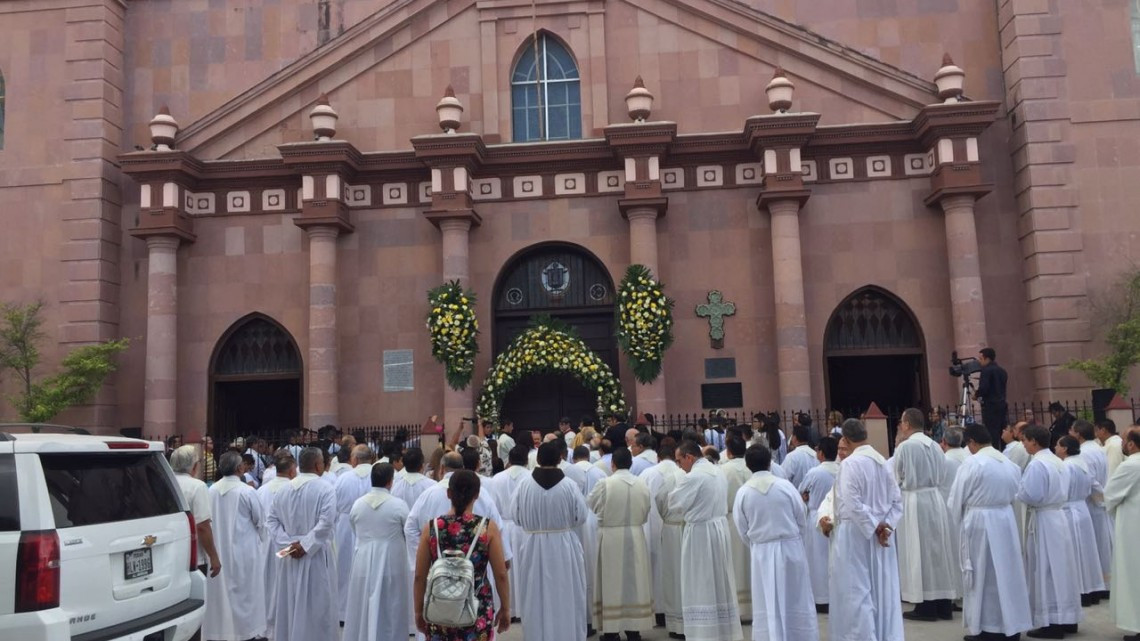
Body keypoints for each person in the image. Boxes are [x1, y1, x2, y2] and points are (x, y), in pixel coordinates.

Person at [946, 423, 1032, 641]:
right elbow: (1016, 493)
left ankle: (988, 628)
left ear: (972, 442)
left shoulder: (973, 463)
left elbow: (956, 498)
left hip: (980, 524)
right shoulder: (1009, 463)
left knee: (983, 576)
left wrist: (958, 519)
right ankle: (1011, 626)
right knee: (1007, 574)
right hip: (1005, 520)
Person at [733, 443, 819, 641]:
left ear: (748, 465)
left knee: (766, 598)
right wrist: (794, 539)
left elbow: (742, 528)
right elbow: (801, 516)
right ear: (770, 463)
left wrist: (758, 544)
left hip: (761, 552)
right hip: (790, 547)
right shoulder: (786, 486)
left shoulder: (744, 493)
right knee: (795, 596)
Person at [413, 470, 511, 640]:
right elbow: (501, 574)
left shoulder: (432, 528)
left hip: (440, 606)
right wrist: (506, 608)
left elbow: (419, 576)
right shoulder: (487, 528)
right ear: (477, 495)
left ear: (448, 493)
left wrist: (418, 611)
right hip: (477, 605)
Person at [829, 418, 903, 641]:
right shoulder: (883, 462)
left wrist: (876, 527)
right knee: (883, 590)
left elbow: (852, 503)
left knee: (856, 591)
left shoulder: (850, 464)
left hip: (855, 533)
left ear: (845, 439)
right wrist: (885, 527)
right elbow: (897, 501)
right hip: (880, 535)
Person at [512, 441, 589, 640]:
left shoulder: (524, 485)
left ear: (537, 459)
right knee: (565, 592)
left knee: (534, 594)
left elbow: (515, 516)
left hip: (533, 545)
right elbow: (581, 516)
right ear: (559, 459)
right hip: (564, 545)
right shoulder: (569, 485)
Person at [669, 440, 744, 641]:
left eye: (679, 461)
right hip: (719, 529)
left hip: (700, 533)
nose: (679, 466)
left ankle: (703, 634)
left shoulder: (693, 477)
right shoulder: (717, 471)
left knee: (700, 581)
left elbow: (673, 504)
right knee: (719, 579)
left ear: (689, 457)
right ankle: (722, 631)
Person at [893, 408, 959, 621]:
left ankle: (925, 606)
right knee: (938, 552)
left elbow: (897, 475)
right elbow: (942, 473)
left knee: (918, 551)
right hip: (935, 499)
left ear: (906, 424)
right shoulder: (936, 446)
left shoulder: (906, 446)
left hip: (915, 500)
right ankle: (943, 604)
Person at [266, 446, 338, 641]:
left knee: (290, 600)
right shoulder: (326, 489)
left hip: (289, 553)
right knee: (317, 604)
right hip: (314, 552)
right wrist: (304, 545)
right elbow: (326, 522)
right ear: (317, 465)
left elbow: (271, 521)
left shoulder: (283, 489)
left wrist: (289, 544)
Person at [1016, 425, 1082, 639]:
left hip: (1044, 520)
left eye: (1025, 440)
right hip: (1058, 517)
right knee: (1062, 569)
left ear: (1034, 441)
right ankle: (1068, 618)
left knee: (1046, 569)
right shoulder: (1057, 461)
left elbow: (1032, 494)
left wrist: (1019, 491)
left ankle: (1052, 623)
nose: (1023, 444)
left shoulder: (1037, 464)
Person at [587, 448, 653, 641]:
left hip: (610, 537)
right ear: (630, 464)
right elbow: (646, 509)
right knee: (634, 582)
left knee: (611, 582)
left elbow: (592, 504)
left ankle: (611, 631)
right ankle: (634, 630)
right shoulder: (641, 484)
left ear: (612, 464)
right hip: (635, 535)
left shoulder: (605, 484)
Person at [342, 463, 410, 641]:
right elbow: (408, 532)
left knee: (363, 602)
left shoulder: (358, 504)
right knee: (392, 604)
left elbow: (355, 528)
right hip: (392, 560)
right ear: (390, 481)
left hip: (363, 560)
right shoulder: (398, 505)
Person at [203, 451, 266, 641]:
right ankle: (246, 632)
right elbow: (261, 521)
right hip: (244, 549)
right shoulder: (247, 491)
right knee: (246, 593)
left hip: (218, 548)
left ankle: (222, 631)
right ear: (239, 468)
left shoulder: (211, 490)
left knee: (222, 593)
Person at [1054, 435, 1106, 606]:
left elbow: (1061, 490)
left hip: (1069, 511)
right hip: (1082, 510)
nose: (1055, 448)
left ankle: (1079, 590)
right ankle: (1092, 589)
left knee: (1074, 553)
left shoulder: (1065, 466)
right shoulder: (1081, 463)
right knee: (1086, 552)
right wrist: (1105, 500)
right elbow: (1095, 486)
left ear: (1065, 448)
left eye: (1058, 445)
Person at [1068, 420, 1113, 602]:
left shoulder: (1084, 453)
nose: (1069, 433)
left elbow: (1090, 480)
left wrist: (1101, 498)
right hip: (1097, 503)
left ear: (1078, 434)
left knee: (1093, 547)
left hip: (1091, 504)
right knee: (1101, 545)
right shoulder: (1098, 448)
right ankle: (1103, 583)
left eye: (1071, 430)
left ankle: (1097, 585)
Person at [1104, 428, 1140, 641]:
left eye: (1124, 440)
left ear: (1132, 444)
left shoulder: (1131, 465)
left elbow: (1111, 493)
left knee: (1133, 572)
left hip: (1133, 525)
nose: (1121, 443)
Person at [333, 444, 374, 624]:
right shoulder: (378, 474)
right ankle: (368, 611)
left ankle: (343, 612)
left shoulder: (343, 479)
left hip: (345, 527)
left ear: (354, 459)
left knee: (344, 568)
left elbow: (334, 504)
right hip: (371, 526)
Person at [488, 445, 531, 621]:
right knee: (524, 567)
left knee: (506, 568)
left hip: (503, 527)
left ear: (509, 460)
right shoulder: (530, 477)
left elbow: (492, 506)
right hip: (525, 527)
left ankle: (508, 607)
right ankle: (523, 608)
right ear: (526, 460)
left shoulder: (497, 479)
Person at [798, 436, 838, 613]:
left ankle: (820, 598)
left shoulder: (815, 472)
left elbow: (802, 491)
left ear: (821, 453)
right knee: (833, 557)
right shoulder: (841, 469)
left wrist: (806, 496)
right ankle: (834, 595)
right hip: (836, 517)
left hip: (817, 518)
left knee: (817, 559)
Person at [257, 450, 294, 639]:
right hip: (287, 545)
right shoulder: (293, 489)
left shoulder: (262, 490)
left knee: (267, 582)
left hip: (266, 544)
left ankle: (264, 625)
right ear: (291, 470)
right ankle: (281, 625)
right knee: (283, 582)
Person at [170, 445, 222, 577]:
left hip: (169, 552)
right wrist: (213, 556)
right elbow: (202, 526)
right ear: (194, 466)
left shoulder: (165, 482)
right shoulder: (197, 486)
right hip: (193, 555)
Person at [720, 434, 753, 623]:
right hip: (752, 520)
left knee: (734, 564)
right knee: (750, 563)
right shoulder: (752, 467)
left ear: (728, 451)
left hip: (731, 519)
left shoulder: (724, 470)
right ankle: (754, 606)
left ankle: (736, 607)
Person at [975, 347, 1009, 446]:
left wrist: (976, 395)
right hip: (1002, 404)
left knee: (991, 433)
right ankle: (1004, 449)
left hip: (990, 406)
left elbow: (984, 388)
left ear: (987, 358)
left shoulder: (986, 371)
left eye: (981, 358)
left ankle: (994, 449)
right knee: (1002, 431)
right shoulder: (1002, 371)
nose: (979, 361)